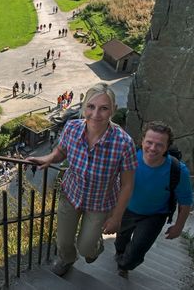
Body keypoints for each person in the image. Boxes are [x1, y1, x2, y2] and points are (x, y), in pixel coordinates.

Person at [27, 82, 137, 276]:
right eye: (91, 107)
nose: (96, 114)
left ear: (113, 110)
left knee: (87, 249)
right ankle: (67, 260)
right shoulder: (72, 128)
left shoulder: (123, 143)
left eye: (104, 108)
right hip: (71, 193)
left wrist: (116, 217)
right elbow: (61, 151)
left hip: (100, 203)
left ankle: (95, 246)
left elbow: (127, 184)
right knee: (63, 242)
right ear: (84, 106)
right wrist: (49, 158)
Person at [114, 121, 193, 278]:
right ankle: (120, 253)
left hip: (154, 215)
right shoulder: (128, 157)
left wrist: (178, 226)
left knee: (138, 249)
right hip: (126, 209)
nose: (152, 148)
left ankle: (125, 264)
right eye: (149, 142)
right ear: (142, 140)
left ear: (167, 147)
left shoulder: (177, 170)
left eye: (159, 145)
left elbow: (185, 201)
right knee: (121, 241)